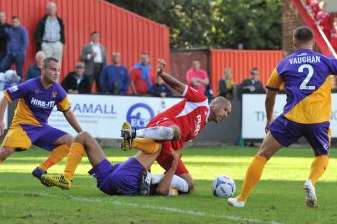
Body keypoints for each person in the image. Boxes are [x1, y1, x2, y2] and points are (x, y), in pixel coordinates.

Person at [228, 26, 337, 208]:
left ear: (294, 41)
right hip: (318, 121)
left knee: (262, 155)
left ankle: (241, 199)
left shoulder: (285, 63)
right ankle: (311, 181)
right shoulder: (326, 61)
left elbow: (270, 93)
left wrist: (269, 119)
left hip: (291, 119)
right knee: (322, 155)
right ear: (314, 41)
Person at [121, 59, 232, 189]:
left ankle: (149, 180)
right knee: (176, 131)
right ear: (215, 104)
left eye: (228, 114)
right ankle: (132, 134)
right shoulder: (201, 101)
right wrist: (162, 74)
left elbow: (180, 142)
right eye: (225, 110)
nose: (225, 115)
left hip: (168, 147)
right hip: (161, 126)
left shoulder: (201, 124)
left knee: (189, 184)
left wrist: (175, 157)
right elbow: (179, 86)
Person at [0, 57, 83, 186]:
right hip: (23, 127)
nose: (56, 73)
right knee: (4, 153)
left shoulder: (58, 90)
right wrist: (1, 121)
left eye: (58, 70)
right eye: (53, 69)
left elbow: (68, 112)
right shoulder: (30, 85)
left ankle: (41, 170)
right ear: (43, 70)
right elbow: (6, 96)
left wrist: (81, 132)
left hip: (42, 128)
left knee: (71, 142)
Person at [40, 131, 189, 196]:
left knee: (159, 145)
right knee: (83, 137)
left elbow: (162, 190)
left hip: (126, 180)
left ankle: (132, 141)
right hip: (111, 178)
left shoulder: (183, 185)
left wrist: (174, 165)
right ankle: (67, 177)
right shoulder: (161, 177)